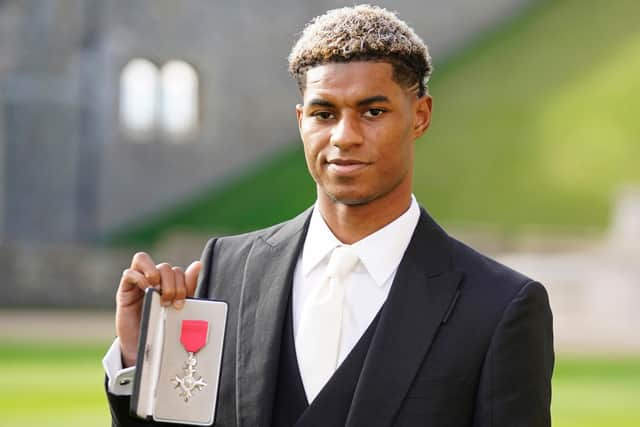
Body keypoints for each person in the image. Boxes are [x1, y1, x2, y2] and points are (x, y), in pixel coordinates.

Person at [104, 5, 554, 426]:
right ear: (302, 120)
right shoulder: (226, 271)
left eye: (372, 111)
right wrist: (134, 358)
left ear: (420, 116)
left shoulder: (500, 307)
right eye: (324, 113)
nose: (344, 136)